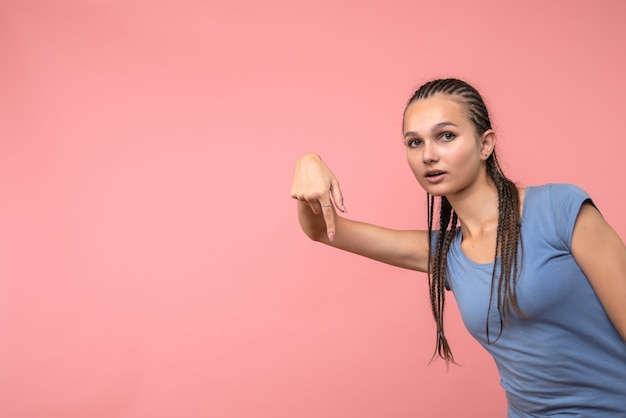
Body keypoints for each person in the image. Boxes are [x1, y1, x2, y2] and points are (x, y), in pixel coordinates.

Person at [290, 78, 626, 417]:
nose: (428, 154)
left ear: (485, 144)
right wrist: (308, 161)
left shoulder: (559, 210)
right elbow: (321, 229)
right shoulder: (447, 255)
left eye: (446, 136)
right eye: (414, 142)